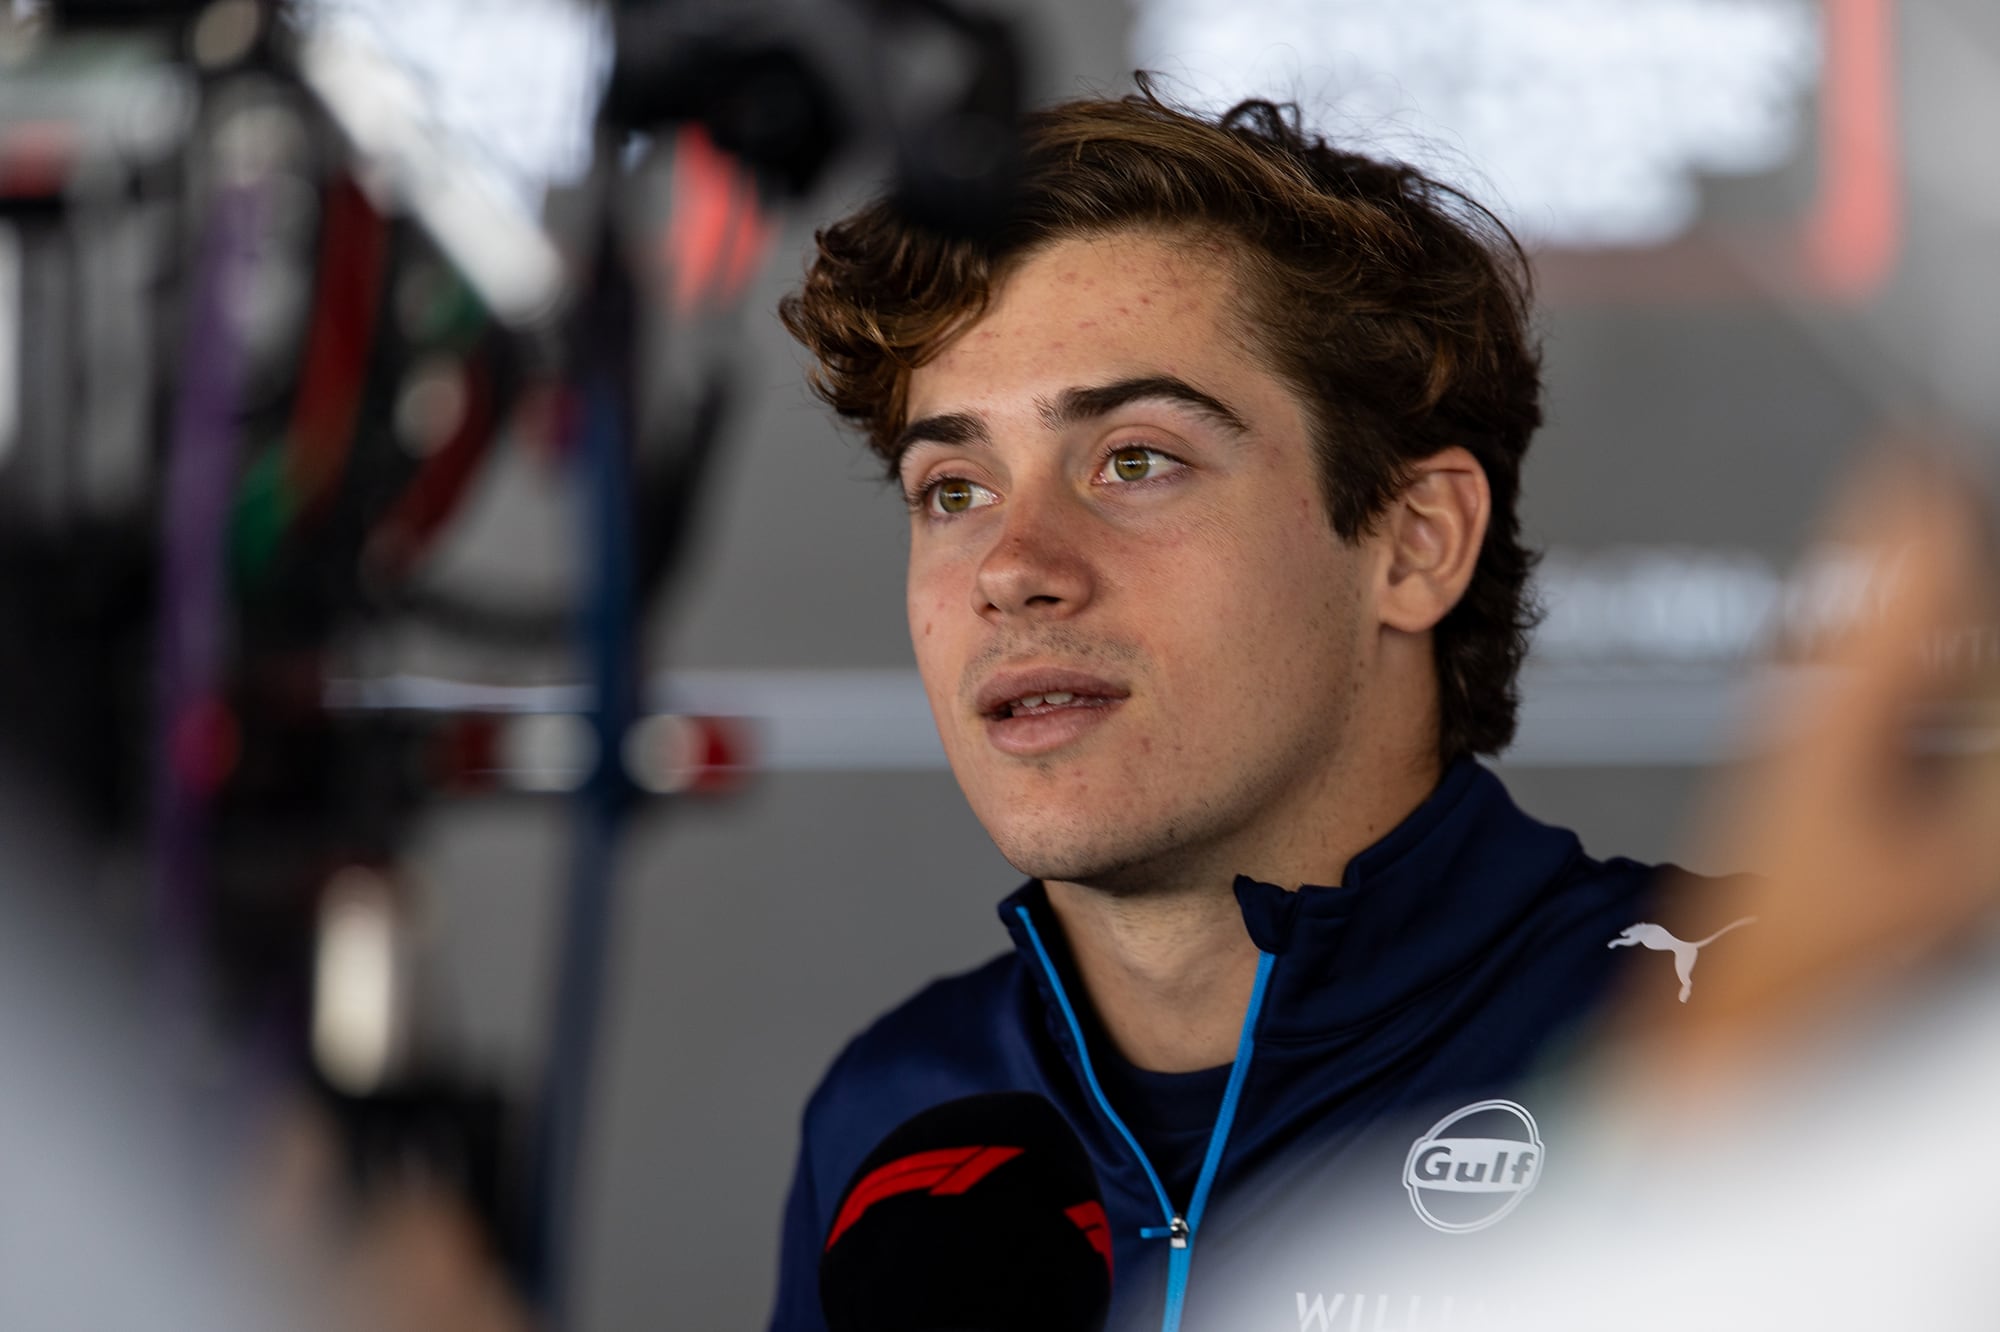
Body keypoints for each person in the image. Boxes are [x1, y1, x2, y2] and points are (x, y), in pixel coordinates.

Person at [768, 82, 1747, 1331]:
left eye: (1134, 459)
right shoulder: (895, 1115)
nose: (1010, 567)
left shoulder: (1753, 1032)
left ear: (1412, 542)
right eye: (952, 488)